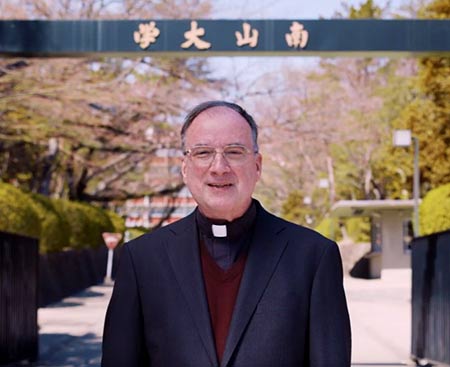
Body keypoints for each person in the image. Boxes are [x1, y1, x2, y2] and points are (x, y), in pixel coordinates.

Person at [102, 101, 351, 367]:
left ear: (257, 165)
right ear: (185, 167)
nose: (219, 167)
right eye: (203, 152)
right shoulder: (142, 260)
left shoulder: (312, 257)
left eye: (234, 151)